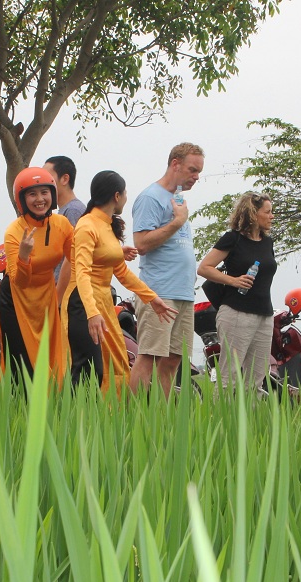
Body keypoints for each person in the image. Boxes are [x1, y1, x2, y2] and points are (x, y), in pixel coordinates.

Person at [66, 170, 177, 392]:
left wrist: (151, 298)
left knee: (117, 364)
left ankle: (109, 420)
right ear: (117, 196)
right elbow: (82, 272)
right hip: (84, 303)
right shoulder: (87, 225)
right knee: (91, 370)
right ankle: (76, 421)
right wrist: (92, 313)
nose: (126, 197)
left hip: (103, 303)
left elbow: (122, 272)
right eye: (125, 193)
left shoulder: (107, 225)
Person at [129, 142, 205, 396]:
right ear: (175, 163)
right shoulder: (151, 197)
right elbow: (141, 243)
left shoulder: (178, 199)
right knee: (150, 355)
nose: (196, 177)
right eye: (192, 170)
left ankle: (160, 418)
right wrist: (178, 222)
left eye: (199, 173)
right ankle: (133, 416)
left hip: (183, 292)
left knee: (173, 359)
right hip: (159, 291)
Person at [196, 192, 277, 395]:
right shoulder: (233, 239)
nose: (272, 216)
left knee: (257, 380)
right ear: (253, 213)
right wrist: (233, 281)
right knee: (229, 377)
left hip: (264, 316)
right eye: (267, 212)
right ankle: (219, 423)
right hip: (236, 313)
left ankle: (248, 424)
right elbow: (205, 267)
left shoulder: (268, 242)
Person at [0, 167, 74, 381]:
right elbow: (19, 281)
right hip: (16, 299)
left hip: (46, 296)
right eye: (32, 194)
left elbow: (79, 258)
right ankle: (19, 410)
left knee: (51, 359)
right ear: (22, 199)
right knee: (21, 366)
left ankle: (51, 408)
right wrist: (23, 256)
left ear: (53, 194)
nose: (40, 199)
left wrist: (110, 255)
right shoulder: (14, 232)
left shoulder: (62, 224)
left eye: (44, 192)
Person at [44, 156, 86, 284]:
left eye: (48, 177)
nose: (43, 182)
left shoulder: (73, 211)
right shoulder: (65, 210)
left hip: (66, 293)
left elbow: (71, 259)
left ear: (65, 179)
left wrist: (59, 297)